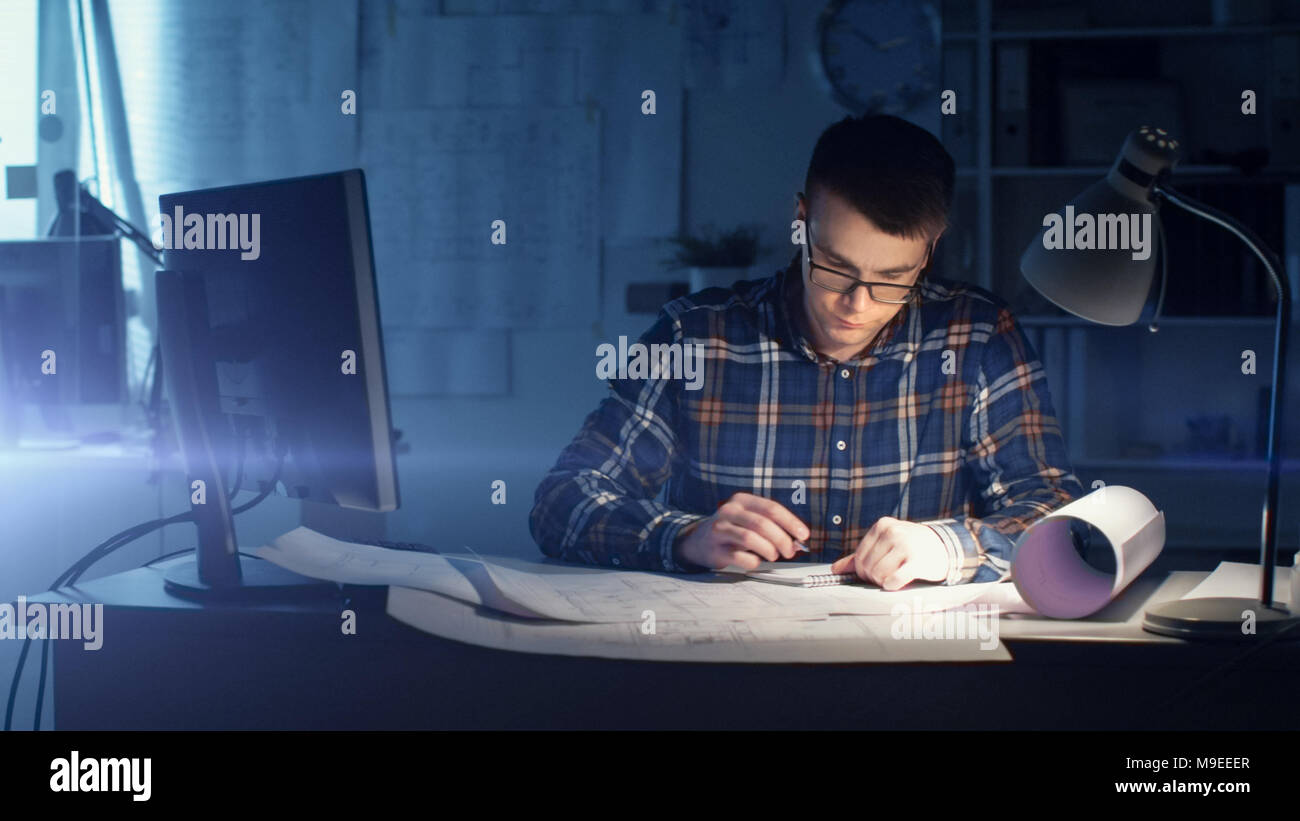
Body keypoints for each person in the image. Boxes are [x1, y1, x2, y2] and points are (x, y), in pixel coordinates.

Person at [529, 114, 1084, 590]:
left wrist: (950, 547)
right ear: (800, 221)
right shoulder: (693, 337)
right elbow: (563, 502)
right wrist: (687, 536)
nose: (857, 305)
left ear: (929, 250)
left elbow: (1059, 514)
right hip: (728, 672)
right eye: (834, 268)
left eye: (893, 279)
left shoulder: (977, 334)